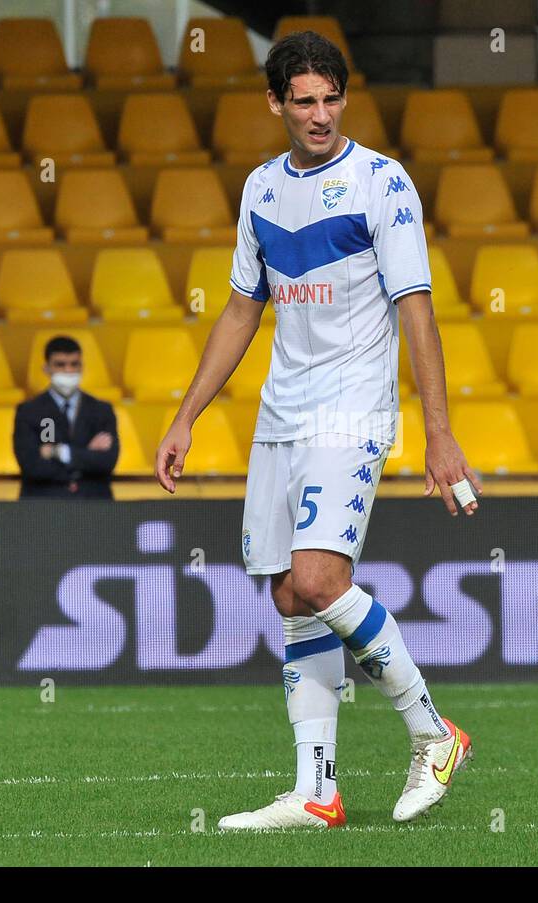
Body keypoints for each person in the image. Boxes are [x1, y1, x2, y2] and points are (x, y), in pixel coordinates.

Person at [155, 31, 482, 830]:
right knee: (289, 596)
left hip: (353, 408)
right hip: (281, 413)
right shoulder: (262, 191)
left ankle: (434, 733)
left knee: (322, 580)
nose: (320, 114)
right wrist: (186, 414)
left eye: (331, 98)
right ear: (275, 103)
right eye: (303, 100)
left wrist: (439, 434)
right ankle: (317, 791)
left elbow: (416, 310)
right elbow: (241, 308)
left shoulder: (381, 182)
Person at [14, 335, 119, 499]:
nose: (68, 370)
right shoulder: (29, 411)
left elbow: (107, 462)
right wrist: (86, 453)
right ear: (46, 368)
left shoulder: (102, 410)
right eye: (60, 365)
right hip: (43, 505)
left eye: (74, 364)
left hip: (94, 504)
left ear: (82, 366)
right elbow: (32, 466)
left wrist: (59, 452)